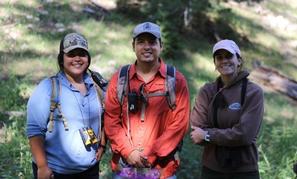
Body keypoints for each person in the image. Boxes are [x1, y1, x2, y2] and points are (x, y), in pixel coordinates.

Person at [104, 22, 190, 179]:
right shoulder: (120, 79)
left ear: (161, 46)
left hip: (161, 170)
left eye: (152, 42)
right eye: (141, 42)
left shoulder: (176, 80)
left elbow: (180, 123)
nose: (146, 47)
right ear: (133, 46)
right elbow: (111, 119)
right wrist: (128, 151)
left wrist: (152, 153)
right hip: (126, 168)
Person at [26, 32, 106, 179]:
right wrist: (42, 167)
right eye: (71, 54)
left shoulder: (97, 86)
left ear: (88, 58)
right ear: (61, 59)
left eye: (82, 54)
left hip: (90, 170)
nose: (77, 58)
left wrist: (102, 145)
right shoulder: (47, 88)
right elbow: (34, 130)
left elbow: (105, 117)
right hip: (56, 172)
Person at [190, 39, 264, 179]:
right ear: (215, 63)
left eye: (229, 56)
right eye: (219, 57)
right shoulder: (207, 91)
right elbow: (196, 133)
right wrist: (230, 135)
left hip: (244, 170)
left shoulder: (253, 92)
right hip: (211, 169)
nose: (224, 60)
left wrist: (208, 135)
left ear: (239, 61)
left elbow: (244, 135)